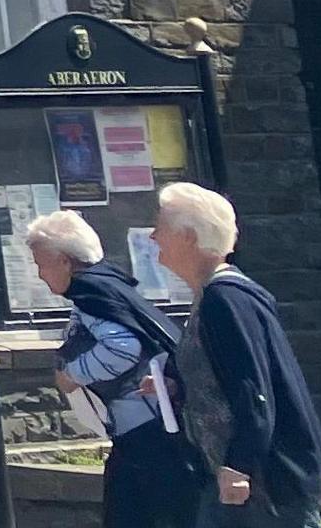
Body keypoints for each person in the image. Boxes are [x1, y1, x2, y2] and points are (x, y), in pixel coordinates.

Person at [154, 183, 321, 528]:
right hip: (232, 477)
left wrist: (239, 466)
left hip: (262, 483)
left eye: (160, 227)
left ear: (188, 237)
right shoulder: (212, 296)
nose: (152, 237)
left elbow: (252, 388)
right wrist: (177, 385)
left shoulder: (226, 299)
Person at [27, 210, 209, 528]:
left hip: (146, 433)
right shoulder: (111, 286)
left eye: (41, 263)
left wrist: (72, 374)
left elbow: (122, 348)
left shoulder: (92, 295)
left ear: (65, 261)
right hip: (151, 429)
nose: (40, 274)